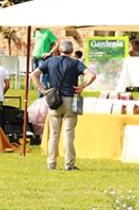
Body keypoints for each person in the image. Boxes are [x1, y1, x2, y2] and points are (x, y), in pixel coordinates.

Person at [31, 39, 96, 171]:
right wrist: (82, 86)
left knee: (54, 134)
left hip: (54, 100)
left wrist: (43, 90)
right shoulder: (75, 63)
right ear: (71, 51)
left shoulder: (50, 61)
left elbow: (34, 74)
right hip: (71, 100)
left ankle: (51, 163)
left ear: (59, 50)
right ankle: (69, 164)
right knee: (68, 134)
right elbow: (92, 75)